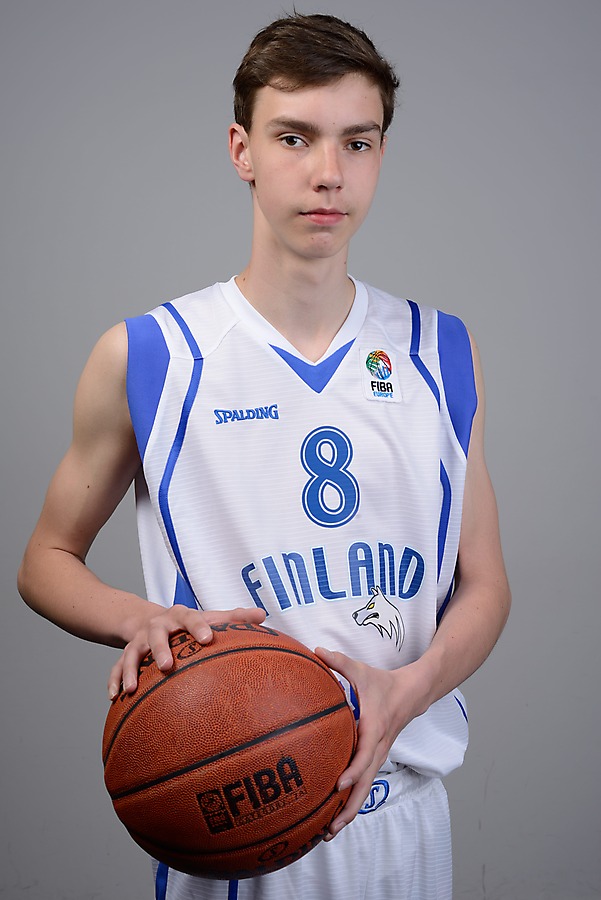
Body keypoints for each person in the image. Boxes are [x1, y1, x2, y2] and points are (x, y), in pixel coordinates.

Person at [18, 12, 510, 900]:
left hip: (406, 815)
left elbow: (484, 583)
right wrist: (138, 617)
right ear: (241, 150)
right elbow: (44, 560)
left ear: (380, 154)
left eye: (357, 142)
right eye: (294, 138)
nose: (328, 172)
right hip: (241, 819)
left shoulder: (440, 351)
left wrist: (406, 691)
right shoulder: (152, 356)